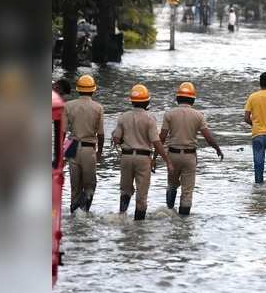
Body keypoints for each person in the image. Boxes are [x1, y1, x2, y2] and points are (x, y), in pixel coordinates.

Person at [157, 82, 224, 216]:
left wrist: (155, 157)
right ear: (193, 99)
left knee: (171, 185)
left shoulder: (169, 114)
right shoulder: (198, 115)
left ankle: (170, 213)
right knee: (187, 192)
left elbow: (162, 138)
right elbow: (208, 137)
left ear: (177, 99)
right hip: (189, 157)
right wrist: (217, 149)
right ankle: (183, 223)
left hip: (173, 155)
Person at [112, 84, 172, 220]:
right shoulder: (150, 118)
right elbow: (156, 142)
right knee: (142, 194)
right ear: (147, 101)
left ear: (132, 101)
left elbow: (116, 139)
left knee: (125, 190)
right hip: (143, 158)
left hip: (126, 157)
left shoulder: (123, 117)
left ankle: (122, 217)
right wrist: (167, 160)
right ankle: (139, 227)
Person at [64, 74, 104, 213]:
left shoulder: (68, 106)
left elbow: (62, 132)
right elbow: (100, 134)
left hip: (71, 145)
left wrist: (61, 153)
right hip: (88, 147)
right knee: (90, 185)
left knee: (75, 187)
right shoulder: (98, 107)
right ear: (93, 90)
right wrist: (99, 153)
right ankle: (84, 213)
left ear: (78, 89)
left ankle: (74, 214)